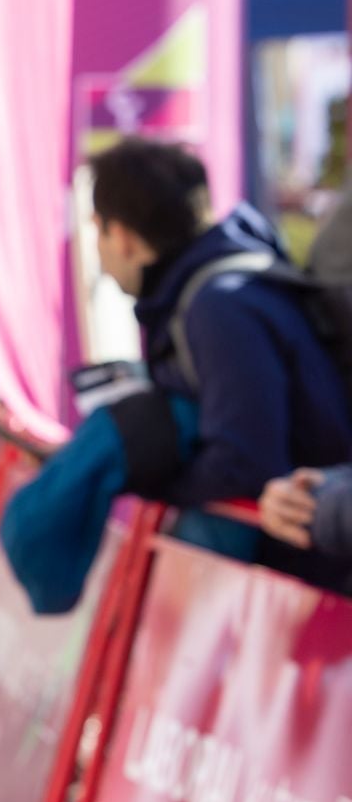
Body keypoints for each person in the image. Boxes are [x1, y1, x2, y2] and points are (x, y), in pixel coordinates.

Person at [89, 139, 352, 582]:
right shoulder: (225, 286)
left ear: (121, 236)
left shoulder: (219, 306)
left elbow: (244, 464)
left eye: (96, 230)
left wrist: (156, 481)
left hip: (311, 583)